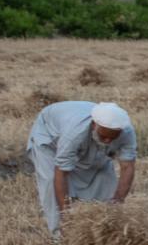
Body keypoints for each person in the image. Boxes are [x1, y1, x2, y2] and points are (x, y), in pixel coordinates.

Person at [25, 100, 137, 237]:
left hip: (82, 131)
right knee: (50, 180)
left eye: (112, 137)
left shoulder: (126, 131)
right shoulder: (74, 133)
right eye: (104, 136)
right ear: (94, 125)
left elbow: (128, 167)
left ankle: (105, 231)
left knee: (102, 173)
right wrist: (65, 214)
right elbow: (61, 172)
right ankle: (60, 236)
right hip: (49, 136)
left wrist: (118, 201)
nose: (108, 141)